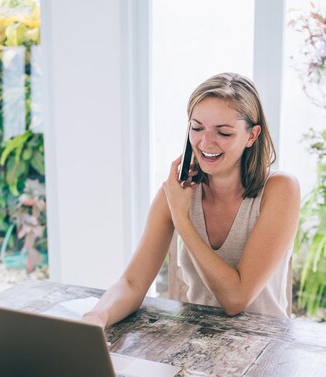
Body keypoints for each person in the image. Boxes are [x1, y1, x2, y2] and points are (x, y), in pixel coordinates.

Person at [82, 72, 300, 327]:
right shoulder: (177, 192)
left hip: (265, 350)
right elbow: (132, 282)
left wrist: (181, 218)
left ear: (251, 136)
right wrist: (96, 317)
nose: (206, 142)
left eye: (224, 133)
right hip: (196, 344)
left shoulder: (280, 189)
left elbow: (236, 299)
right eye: (197, 128)